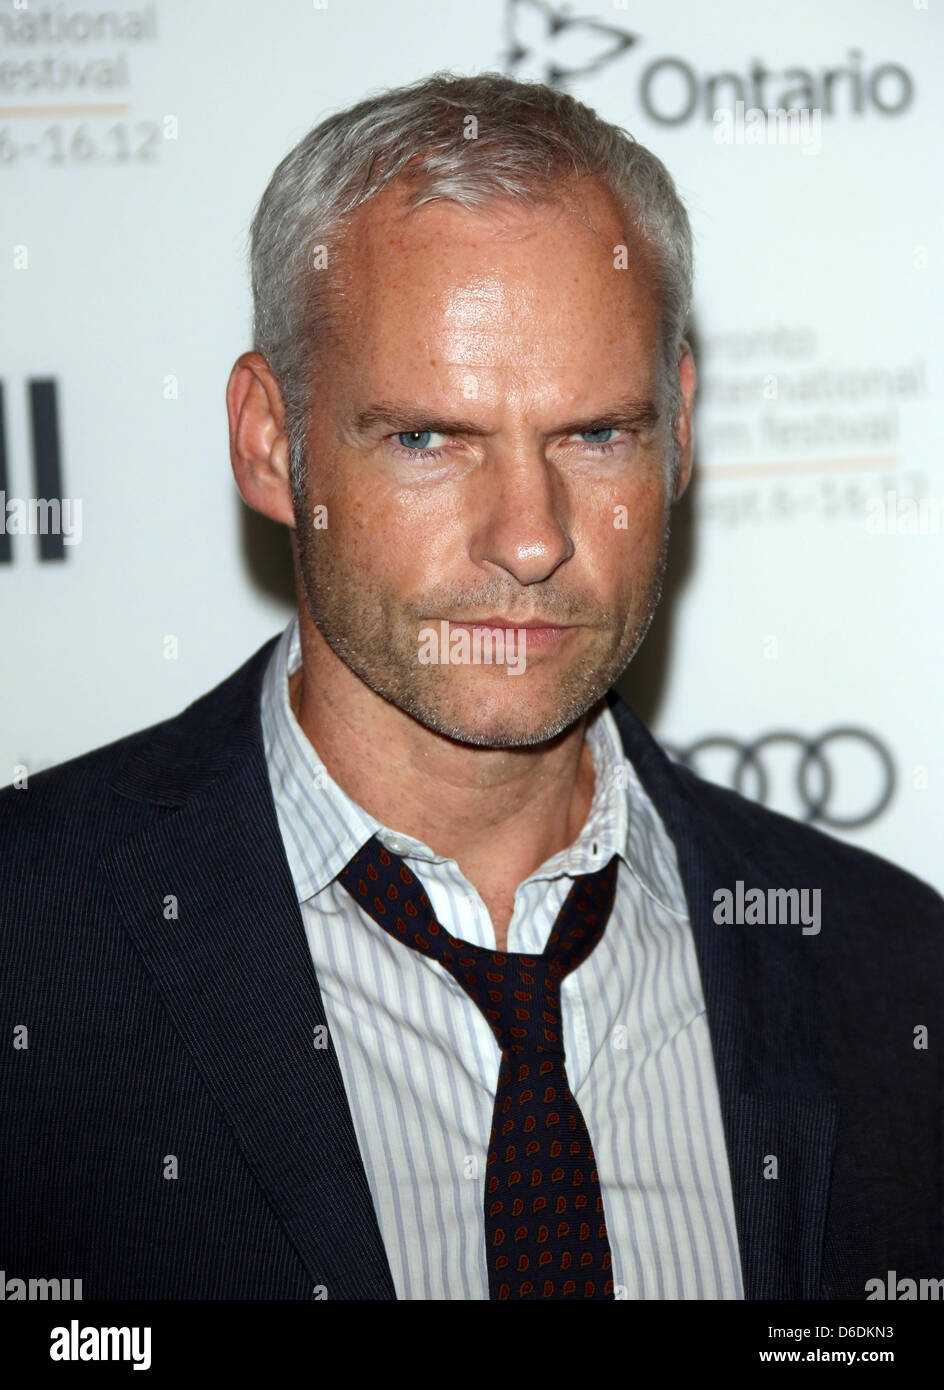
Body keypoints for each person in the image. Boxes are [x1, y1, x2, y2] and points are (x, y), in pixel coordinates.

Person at [2, 71, 941, 1302]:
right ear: (270, 441)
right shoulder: (33, 940)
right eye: (426, 438)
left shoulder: (887, 969)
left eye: (594, 434)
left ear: (680, 427)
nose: (529, 537)